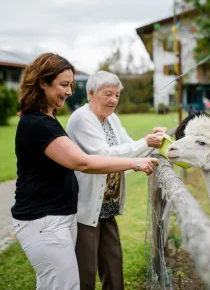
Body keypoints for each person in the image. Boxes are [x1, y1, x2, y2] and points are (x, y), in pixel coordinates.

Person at [11, 53, 158, 290]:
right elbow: (84, 163)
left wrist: (153, 148)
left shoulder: (46, 119)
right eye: (64, 85)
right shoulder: (38, 123)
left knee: (57, 284)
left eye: (71, 85)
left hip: (58, 217)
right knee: (66, 284)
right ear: (42, 83)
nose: (69, 91)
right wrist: (135, 163)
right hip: (44, 220)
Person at [66, 70, 166, 290]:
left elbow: (131, 148)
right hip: (85, 209)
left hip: (107, 207)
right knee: (86, 271)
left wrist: (156, 141)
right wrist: (145, 142)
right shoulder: (82, 119)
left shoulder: (111, 119)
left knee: (113, 264)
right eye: (107, 94)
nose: (113, 100)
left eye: (117, 95)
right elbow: (104, 155)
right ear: (91, 94)